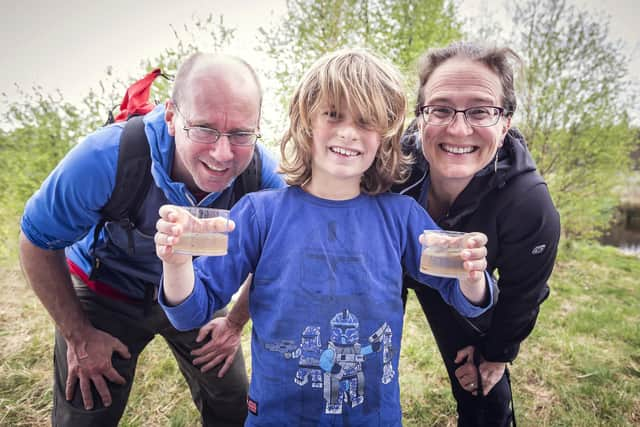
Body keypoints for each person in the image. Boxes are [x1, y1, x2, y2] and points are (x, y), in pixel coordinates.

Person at [155, 49, 495, 426]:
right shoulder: (258, 215)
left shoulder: (401, 218)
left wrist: (471, 276)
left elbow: (468, 302)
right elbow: (189, 311)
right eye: (333, 114)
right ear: (306, 122)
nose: (348, 131)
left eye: (366, 121)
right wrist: (176, 261)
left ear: (384, 136)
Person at [18, 53, 286, 426]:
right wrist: (79, 336)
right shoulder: (104, 158)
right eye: (204, 129)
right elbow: (35, 241)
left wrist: (235, 323)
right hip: (106, 291)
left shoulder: (262, 175)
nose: (223, 154)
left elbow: (278, 254)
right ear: (173, 117)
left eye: (241, 134)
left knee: (234, 403)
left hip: (196, 293)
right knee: (86, 409)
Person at [392, 41, 561, 426]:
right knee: (362, 361)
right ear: (420, 116)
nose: (458, 128)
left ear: (506, 124)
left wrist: (497, 354)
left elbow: (523, 293)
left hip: (465, 276)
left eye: (481, 111)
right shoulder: (391, 165)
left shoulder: (529, 203)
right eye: (441, 108)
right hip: (392, 265)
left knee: (483, 390)